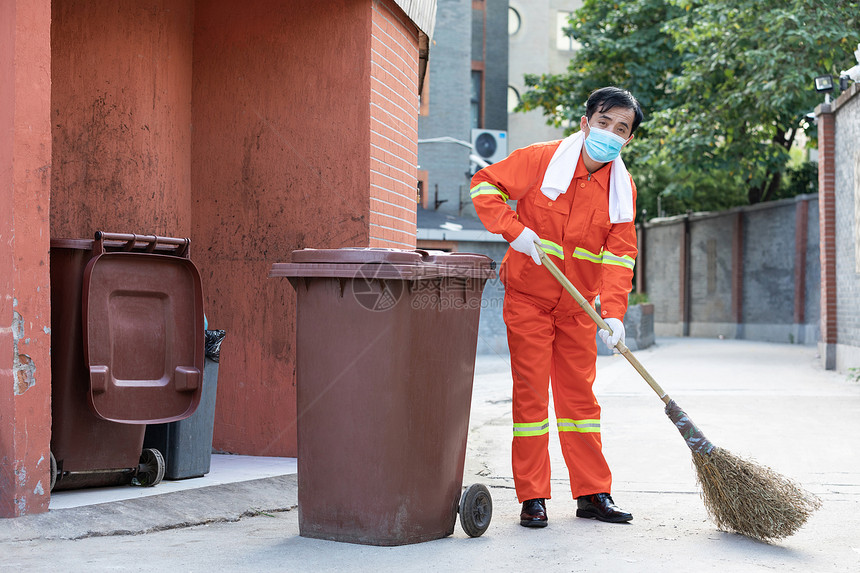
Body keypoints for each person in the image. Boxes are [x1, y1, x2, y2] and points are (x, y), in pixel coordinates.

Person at [470, 86, 643, 527]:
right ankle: (533, 497)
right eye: (604, 123)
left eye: (621, 129)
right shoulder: (541, 159)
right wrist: (513, 230)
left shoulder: (621, 190)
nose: (610, 133)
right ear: (586, 123)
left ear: (629, 140)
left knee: (580, 401)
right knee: (531, 399)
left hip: (578, 310)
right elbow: (483, 184)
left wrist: (614, 312)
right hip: (529, 300)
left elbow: (621, 254)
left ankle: (592, 494)